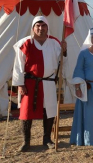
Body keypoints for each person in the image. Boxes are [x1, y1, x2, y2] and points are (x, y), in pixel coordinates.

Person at [12, 16, 67, 152]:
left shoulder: (54, 42)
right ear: (33, 28)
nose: (40, 28)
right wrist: (20, 84)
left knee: (49, 111)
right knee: (26, 112)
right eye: (38, 26)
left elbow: (63, 60)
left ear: (47, 28)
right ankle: (26, 141)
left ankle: (47, 139)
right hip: (29, 83)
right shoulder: (25, 43)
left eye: (43, 26)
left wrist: (64, 50)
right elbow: (18, 66)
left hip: (48, 82)